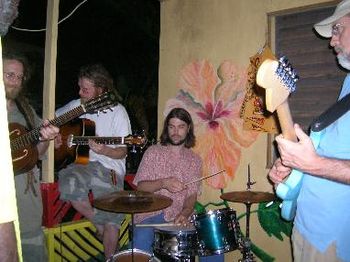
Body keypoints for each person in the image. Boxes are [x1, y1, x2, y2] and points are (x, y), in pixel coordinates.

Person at [268, 1, 350, 261]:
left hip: (333, 238)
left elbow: (321, 163)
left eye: (337, 29)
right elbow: (333, 152)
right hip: (306, 226)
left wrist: (312, 164)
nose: (331, 41)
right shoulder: (348, 83)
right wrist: (297, 166)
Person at [55, 63, 131, 259]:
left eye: (85, 89)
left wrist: (104, 149)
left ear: (101, 89)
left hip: (110, 166)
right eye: (80, 87)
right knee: (68, 185)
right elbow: (50, 120)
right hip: (83, 162)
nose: (80, 92)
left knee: (112, 217)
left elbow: (122, 151)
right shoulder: (77, 106)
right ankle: (98, 224)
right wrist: (55, 135)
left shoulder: (118, 111)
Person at [133, 107, 224, 262]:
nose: (176, 132)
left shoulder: (194, 160)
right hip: (151, 214)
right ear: (167, 128)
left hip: (181, 214)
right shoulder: (153, 152)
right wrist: (163, 183)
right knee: (140, 245)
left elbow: (191, 195)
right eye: (171, 126)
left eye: (181, 126)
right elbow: (140, 186)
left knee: (213, 243)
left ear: (188, 129)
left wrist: (185, 213)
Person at [4, 51, 59, 261]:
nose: (16, 82)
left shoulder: (25, 111)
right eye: (10, 75)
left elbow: (38, 153)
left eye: (19, 77)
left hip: (27, 203)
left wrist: (46, 138)